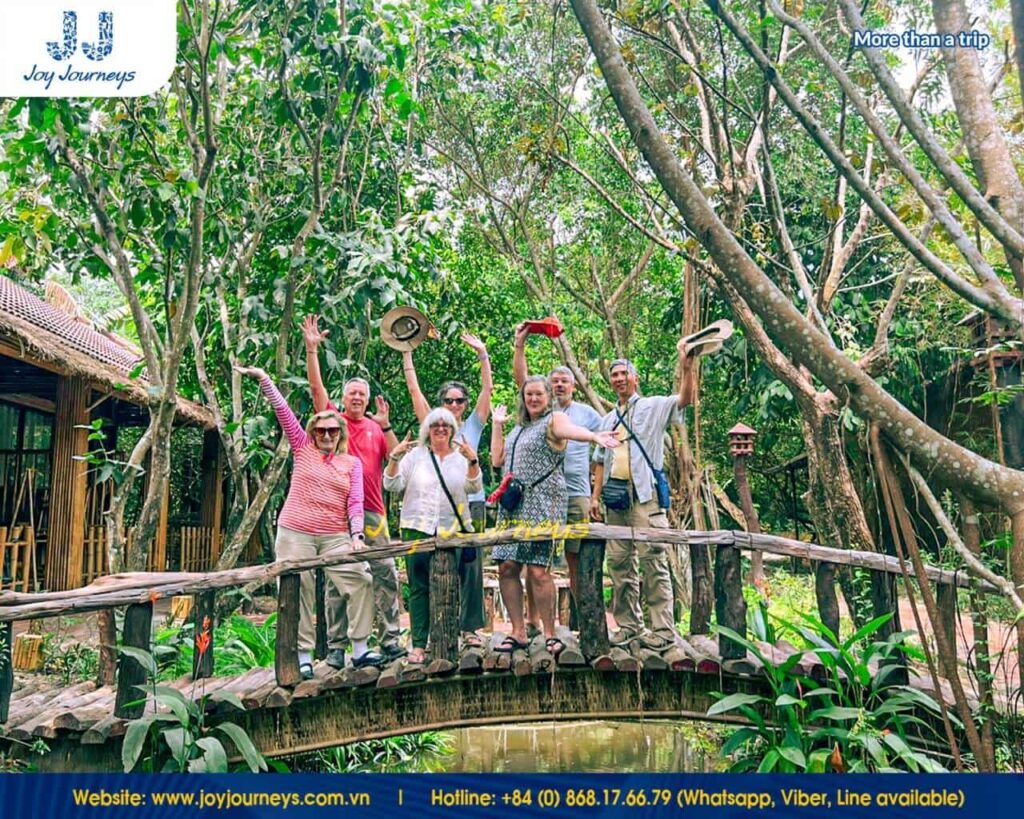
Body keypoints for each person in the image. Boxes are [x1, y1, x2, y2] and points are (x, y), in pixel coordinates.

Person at [234, 365, 382, 678]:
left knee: (361, 579)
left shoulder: (351, 463)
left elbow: (355, 502)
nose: (326, 435)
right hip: (295, 533)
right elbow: (282, 410)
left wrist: (357, 535)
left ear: (340, 434)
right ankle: (302, 656)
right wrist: (264, 378)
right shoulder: (303, 450)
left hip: (335, 535)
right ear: (313, 433)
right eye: (321, 431)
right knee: (296, 590)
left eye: (332, 431)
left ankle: (360, 648)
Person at [490, 377, 620, 656]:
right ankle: (518, 631)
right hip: (512, 505)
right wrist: (498, 425)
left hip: (543, 501)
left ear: (548, 396)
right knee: (507, 567)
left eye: (538, 394)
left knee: (538, 569)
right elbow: (496, 460)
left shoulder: (554, 420)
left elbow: (571, 431)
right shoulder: (519, 428)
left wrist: (595, 436)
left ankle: (549, 632)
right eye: (528, 395)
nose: (533, 399)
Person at [303, 315, 406, 668]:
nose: (358, 398)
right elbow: (317, 392)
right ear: (343, 399)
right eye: (352, 394)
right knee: (338, 581)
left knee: (386, 571)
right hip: (336, 513)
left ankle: (390, 639)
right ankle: (336, 647)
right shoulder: (334, 424)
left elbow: (395, 455)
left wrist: (386, 423)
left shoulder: (376, 429)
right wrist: (312, 350)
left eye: (362, 393)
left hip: (374, 513)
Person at [591, 345, 698, 646]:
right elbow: (600, 460)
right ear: (610, 381)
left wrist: (687, 366)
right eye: (614, 375)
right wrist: (595, 498)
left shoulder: (652, 406)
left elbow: (685, 399)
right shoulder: (608, 419)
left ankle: (663, 630)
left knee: (653, 559)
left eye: (625, 373)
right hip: (615, 499)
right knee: (619, 563)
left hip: (645, 495)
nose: (619, 379)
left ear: (635, 379)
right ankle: (628, 626)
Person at [400, 333, 492, 648]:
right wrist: (406, 352)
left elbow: (487, 390)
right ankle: (428, 634)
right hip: (433, 510)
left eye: (459, 400)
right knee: (430, 572)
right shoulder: (434, 424)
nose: (454, 405)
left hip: (471, 503)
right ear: (441, 405)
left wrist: (482, 354)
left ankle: (469, 630)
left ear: (465, 405)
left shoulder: (473, 426)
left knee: (470, 569)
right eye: (448, 400)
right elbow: (414, 390)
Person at [513, 323, 602, 611]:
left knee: (577, 560)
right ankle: (535, 621)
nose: (560, 384)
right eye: (556, 381)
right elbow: (522, 381)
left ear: (574, 386)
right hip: (542, 498)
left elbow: (602, 451)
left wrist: (596, 493)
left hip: (576, 494)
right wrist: (520, 345)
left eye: (566, 380)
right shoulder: (540, 414)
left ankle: (581, 622)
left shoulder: (587, 414)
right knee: (536, 562)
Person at [383, 408, 482, 664]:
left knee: (465, 579)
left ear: (452, 430)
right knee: (419, 586)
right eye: (435, 424)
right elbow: (392, 485)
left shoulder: (461, 457)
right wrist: (394, 458)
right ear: (427, 429)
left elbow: (474, 487)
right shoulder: (415, 456)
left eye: (446, 425)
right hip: (417, 525)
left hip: (455, 526)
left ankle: (467, 631)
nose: (440, 429)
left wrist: (473, 462)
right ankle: (419, 643)